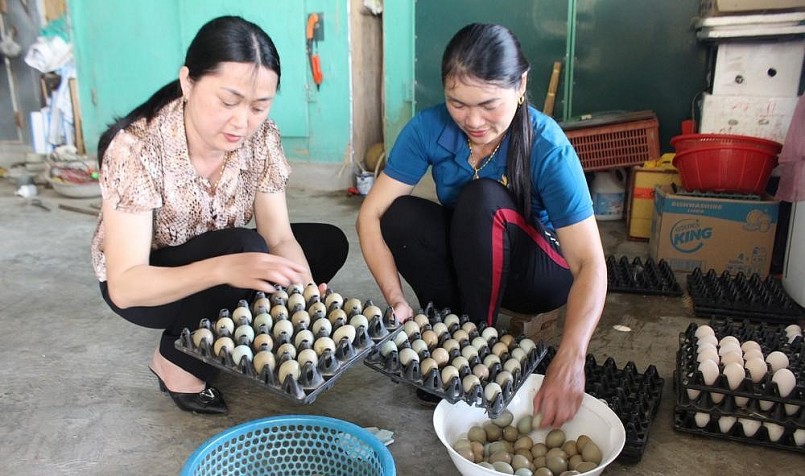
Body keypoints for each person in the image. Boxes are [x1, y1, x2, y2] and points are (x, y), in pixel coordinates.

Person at [91, 16, 348, 415]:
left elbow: (279, 236)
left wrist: (303, 297)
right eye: (228, 102)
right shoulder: (136, 149)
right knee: (245, 247)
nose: (242, 122)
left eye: (259, 106)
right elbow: (126, 286)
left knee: (324, 246)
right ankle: (175, 362)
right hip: (147, 285)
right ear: (188, 82)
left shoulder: (260, 137)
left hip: (221, 253)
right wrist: (227, 269)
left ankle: (241, 313)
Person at [356, 23, 606, 428]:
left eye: (488, 104)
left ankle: (475, 344)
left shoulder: (547, 145)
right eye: (457, 103)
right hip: (475, 255)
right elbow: (370, 214)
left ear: (521, 84)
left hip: (538, 273)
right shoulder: (429, 128)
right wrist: (395, 299)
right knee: (400, 216)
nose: (472, 120)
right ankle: (449, 325)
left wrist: (571, 358)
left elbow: (589, 263)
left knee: (480, 199)